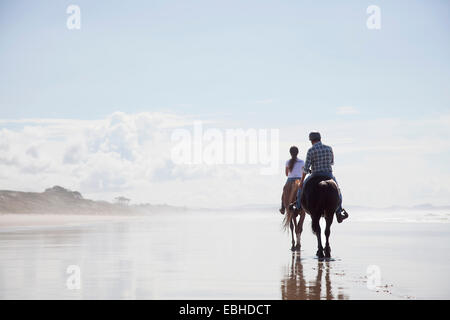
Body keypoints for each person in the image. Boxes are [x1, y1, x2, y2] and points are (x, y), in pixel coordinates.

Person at [299, 132, 348, 223]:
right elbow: (332, 162)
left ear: (311, 141)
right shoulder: (329, 148)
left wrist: (301, 181)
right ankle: (339, 211)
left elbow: (305, 169)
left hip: (315, 175)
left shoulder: (311, 150)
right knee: (338, 190)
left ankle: (297, 206)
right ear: (320, 138)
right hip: (328, 174)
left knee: (302, 189)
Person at [279, 146, 304, 214]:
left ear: (290, 153)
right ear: (297, 153)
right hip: (299, 179)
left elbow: (286, 174)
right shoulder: (302, 162)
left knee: (284, 191)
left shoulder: (288, 162)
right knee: (306, 190)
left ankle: (282, 208)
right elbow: (303, 172)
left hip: (290, 179)